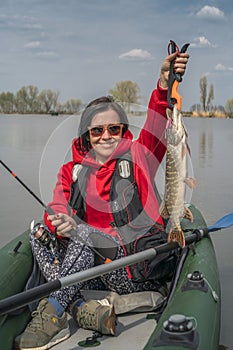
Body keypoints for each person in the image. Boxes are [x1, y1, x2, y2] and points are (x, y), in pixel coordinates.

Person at [15, 49, 189, 350]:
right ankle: (81, 307)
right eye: (98, 130)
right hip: (91, 272)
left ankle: (54, 312)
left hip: (134, 270)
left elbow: (157, 123)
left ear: (123, 130)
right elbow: (56, 207)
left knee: (84, 234)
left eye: (114, 128)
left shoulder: (139, 155)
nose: (106, 135)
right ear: (87, 134)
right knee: (38, 234)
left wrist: (164, 85)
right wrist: (58, 222)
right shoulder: (71, 171)